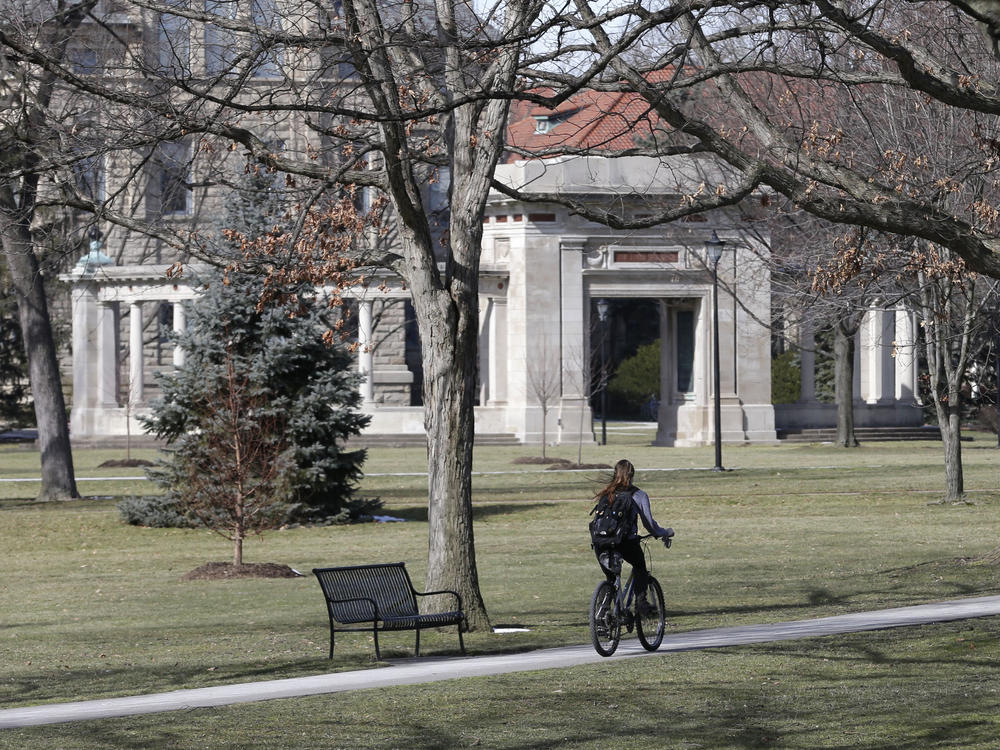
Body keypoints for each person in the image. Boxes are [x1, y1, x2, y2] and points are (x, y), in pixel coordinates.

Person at [594, 458, 674, 614]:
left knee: (610, 578)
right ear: (632, 475)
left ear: (615, 474)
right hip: (625, 543)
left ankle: (601, 616)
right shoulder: (638, 495)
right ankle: (642, 604)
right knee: (639, 566)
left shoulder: (606, 493)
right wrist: (665, 532)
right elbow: (650, 525)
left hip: (600, 543)